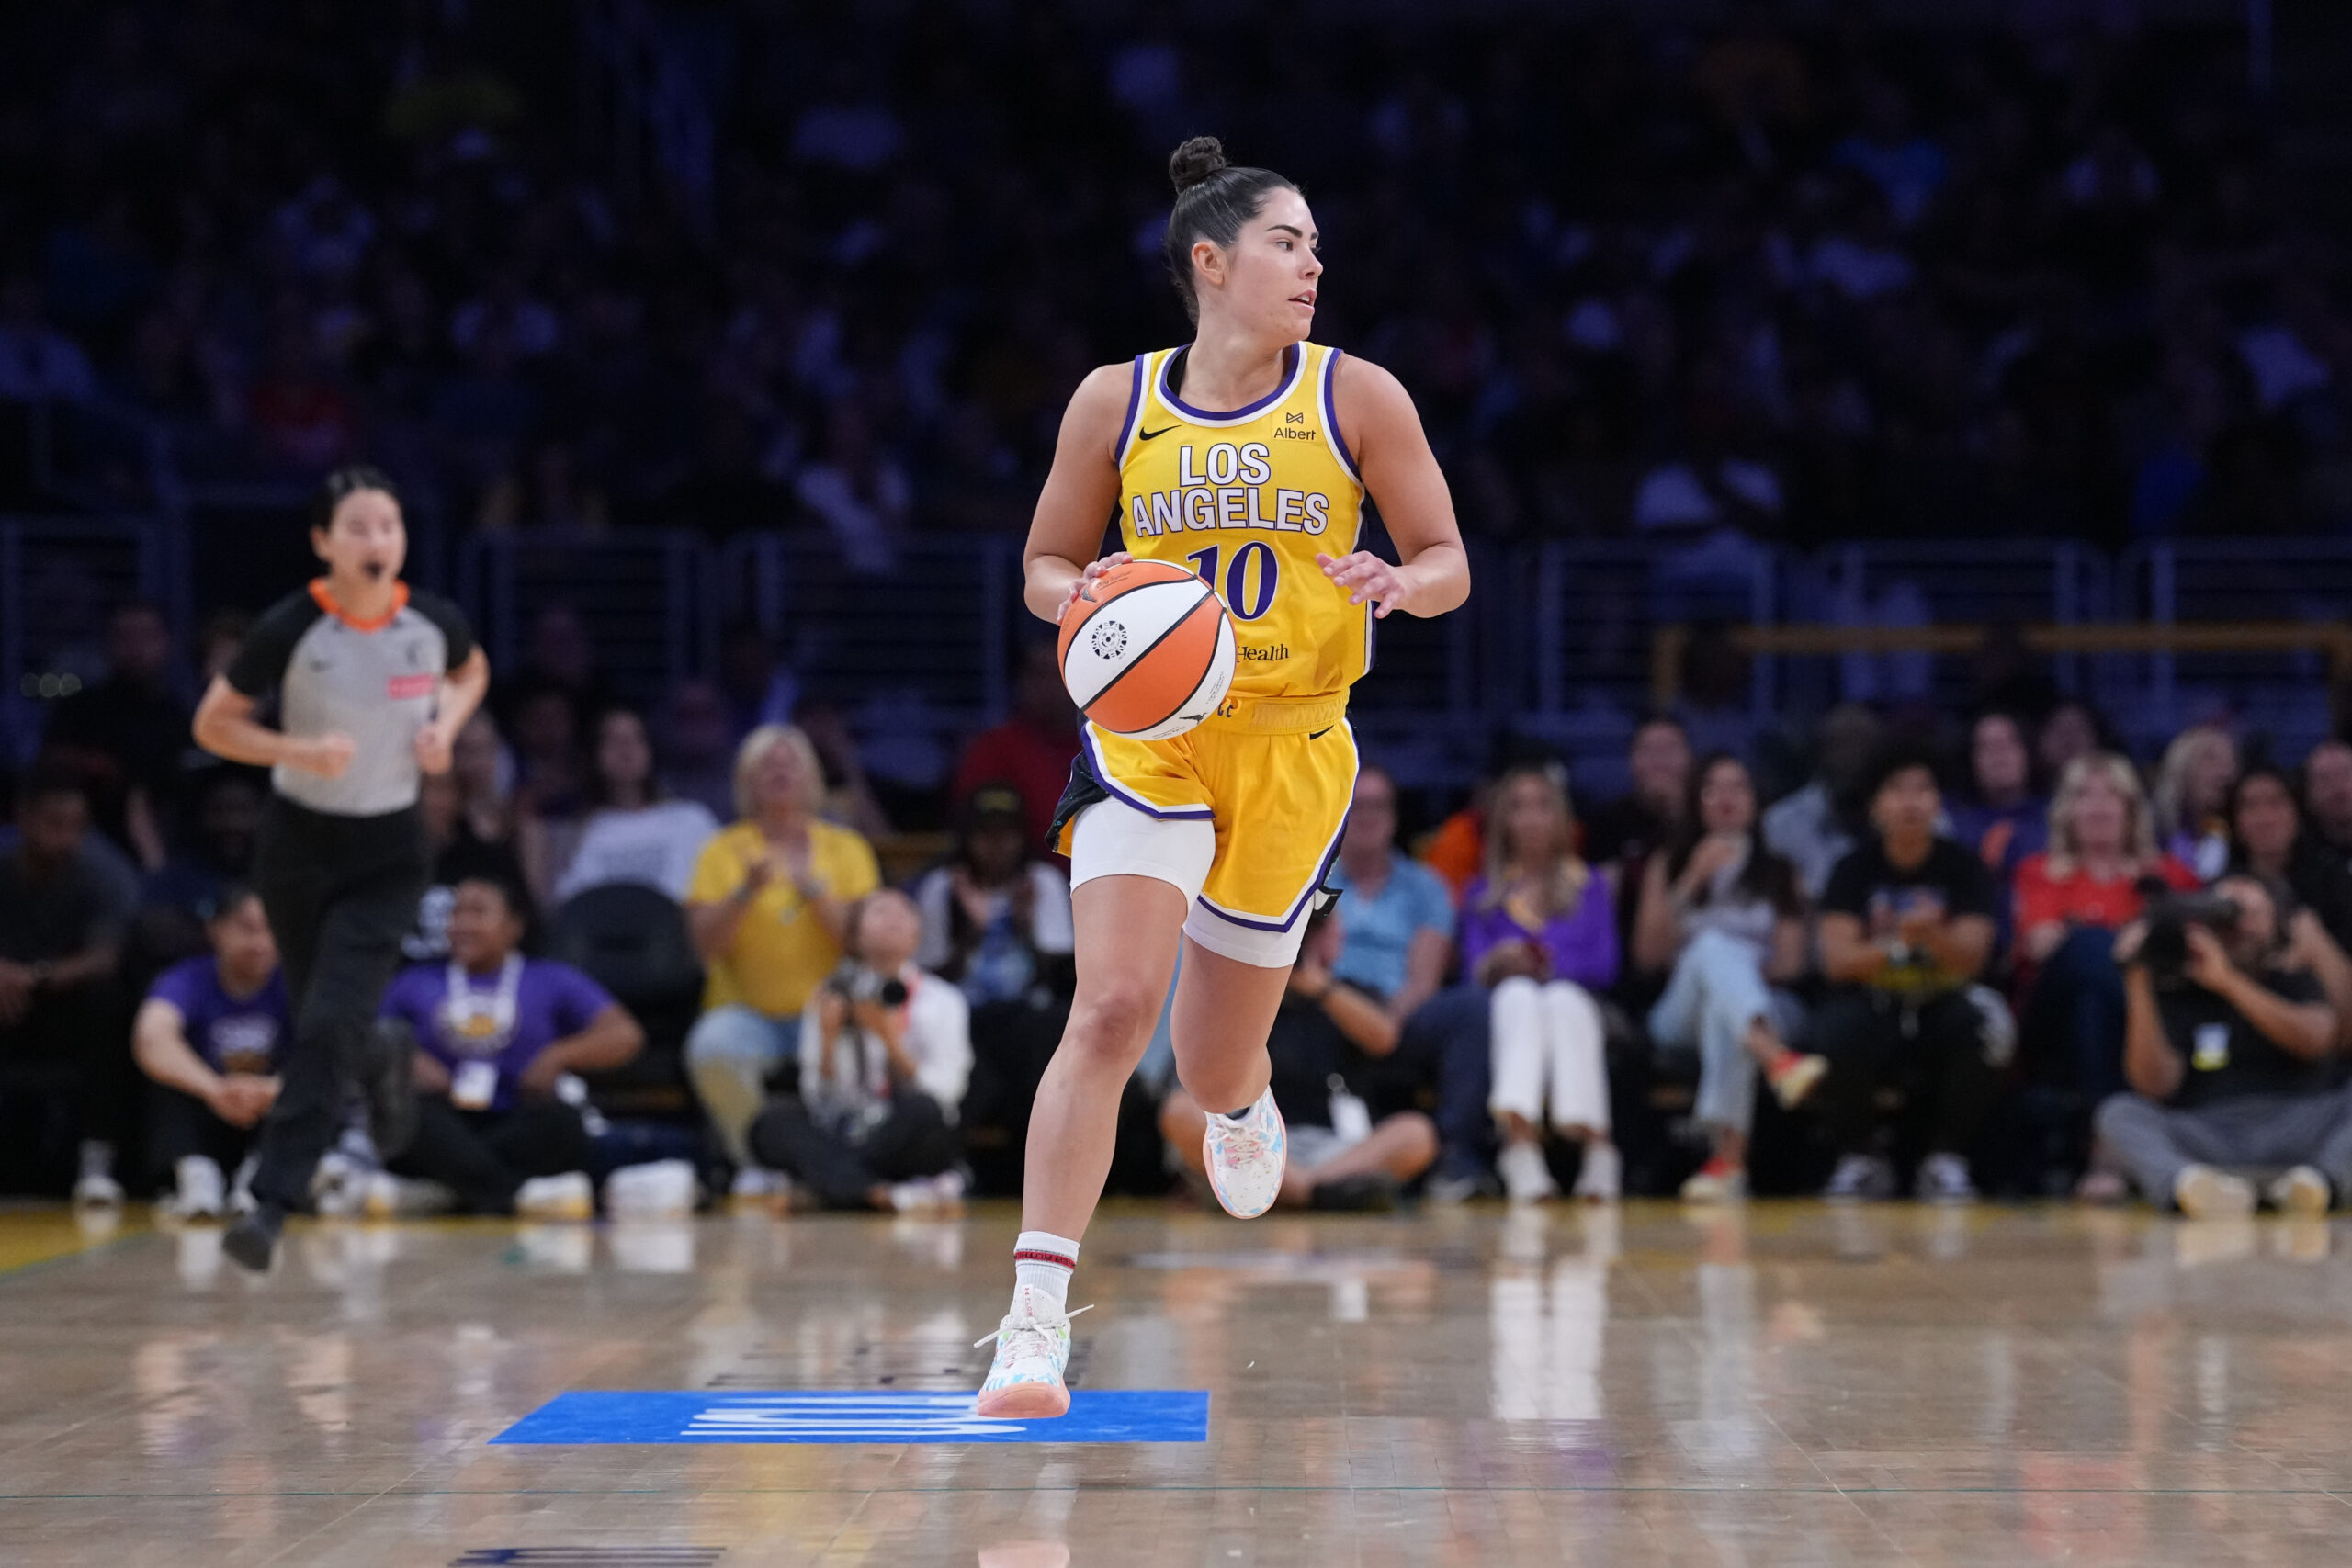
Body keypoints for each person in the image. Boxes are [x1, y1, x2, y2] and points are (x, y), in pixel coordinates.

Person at [976, 136, 1469, 1418]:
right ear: (1213, 259)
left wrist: (1402, 584)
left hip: (1296, 746)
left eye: (1315, 245)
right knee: (1109, 1008)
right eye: (1287, 242)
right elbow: (1041, 561)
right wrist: (1082, 596)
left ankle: (1242, 1099)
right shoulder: (1114, 401)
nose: (1314, 264)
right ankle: (1032, 1322)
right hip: (1150, 739)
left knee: (1204, 1061)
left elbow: (1448, 555)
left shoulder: (1358, 395)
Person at [190, 465, 490, 1270]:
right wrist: (296, 749)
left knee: (326, 1021)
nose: (377, 542)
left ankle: (270, 1201)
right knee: (321, 1012)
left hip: (389, 849)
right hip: (296, 844)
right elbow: (214, 723)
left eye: (388, 526)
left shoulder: (432, 622)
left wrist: (447, 726)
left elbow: (471, 669)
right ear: (323, 542)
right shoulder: (290, 628)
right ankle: (377, 1057)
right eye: (358, 527)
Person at [683, 724, 881, 1191]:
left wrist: (812, 887)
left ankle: (844, 1163)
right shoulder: (721, 850)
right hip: (747, 1014)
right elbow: (705, 947)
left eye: (790, 762)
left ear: (812, 778)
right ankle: (757, 1160)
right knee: (710, 1047)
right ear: (744, 781)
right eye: (765, 764)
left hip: (830, 1010)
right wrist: (745, 891)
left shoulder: (846, 848)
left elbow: (863, 944)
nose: (779, 771)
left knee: (869, 1038)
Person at [378, 875, 643, 1218]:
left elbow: (625, 1034)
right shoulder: (415, 980)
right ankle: (513, 1196)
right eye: (456, 914)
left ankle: (451, 1190)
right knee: (405, 1118)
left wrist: (558, 1056)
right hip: (443, 1117)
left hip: (517, 1114)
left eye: (479, 913)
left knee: (563, 1122)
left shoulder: (549, 977)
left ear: (514, 927)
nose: (463, 925)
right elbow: (366, 1037)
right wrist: (408, 1058)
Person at [1813, 742, 2007, 1201]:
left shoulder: (1965, 867)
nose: (1911, 801)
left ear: (1938, 802)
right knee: (1833, 1031)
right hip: (1873, 1002)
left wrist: (1933, 938)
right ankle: (1859, 1157)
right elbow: (1838, 961)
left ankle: (1946, 1159)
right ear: (1877, 805)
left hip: (1944, 1000)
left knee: (1990, 1027)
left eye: (1923, 789)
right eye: (1897, 790)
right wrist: (1901, 941)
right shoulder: (1852, 868)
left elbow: (1973, 958)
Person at [1632, 753, 1825, 1201]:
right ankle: (1776, 1059)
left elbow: (1790, 964)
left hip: (1767, 1001)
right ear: (1696, 802)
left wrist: (1733, 973)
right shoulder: (1670, 864)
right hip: (1679, 1008)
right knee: (1709, 949)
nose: (1726, 799)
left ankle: (1727, 1163)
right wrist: (1693, 879)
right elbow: (1648, 956)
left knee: (1726, 1001)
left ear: (1756, 802)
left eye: (1738, 788)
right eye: (1712, 789)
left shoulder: (1780, 870)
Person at [2099, 874, 2350, 1216]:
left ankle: (2319, 1185)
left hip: (2300, 1124)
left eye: (2252, 913)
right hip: (2210, 1133)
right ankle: (2188, 1186)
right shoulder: (2180, 992)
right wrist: (2138, 980)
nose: (2238, 924)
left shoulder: (2292, 979)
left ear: (2275, 925)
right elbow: (2154, 1085)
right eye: (2227, 911)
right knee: (2119, 1112)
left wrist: (2227, 982)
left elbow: (2318, 1041)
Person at [1159, 908, 1439, 1210]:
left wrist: (1317, 986)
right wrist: (1271, 975)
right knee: (1179, 1111)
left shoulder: (1350, 992)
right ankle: (1312, 1193)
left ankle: (1282, 1192)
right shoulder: (1244, 994)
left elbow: (1384, 1039)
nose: (1315, 940)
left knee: (1416, 1134)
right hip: (1250, 1143)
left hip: (1338, 1150)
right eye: (1308, 932)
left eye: (1319, 930)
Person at [746, 890, 971, 1211]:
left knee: (925, 1113)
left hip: (905, 1133)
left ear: (917, 932)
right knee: (769, 1123)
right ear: (855, 936)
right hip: (847, 1127)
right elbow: (820, 1100)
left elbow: (946, 1093)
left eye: (903, 912)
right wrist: (827, 1042)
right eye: (880, 912)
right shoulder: (830, 995)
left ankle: (827, 1188)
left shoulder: (943, 1000)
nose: (893, 919)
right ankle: (873, 1191)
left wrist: (891, 1045)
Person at [1457, 765, 1621, 1203]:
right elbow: (1471, 968)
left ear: (1561, 818)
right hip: (1510, 1008)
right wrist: (1500, 960)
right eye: (1518, 808)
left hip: (1580, 1004)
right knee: (1518, 995)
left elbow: (1605, 965)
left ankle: (1596, 1144)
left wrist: (1547, 963)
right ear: (1502, 821)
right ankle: (1521, 1143)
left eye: (1542, 807)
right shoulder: (1483, 891)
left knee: (1561, 999)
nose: (1530, 819)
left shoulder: (1590, 886)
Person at [2011, 754, 2198, 1119]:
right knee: (2087, 948)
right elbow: (2042, 945)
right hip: (2051, 1022)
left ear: (2130, 809)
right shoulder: (2041, 872)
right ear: (2067, 810)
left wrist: (2081, 929)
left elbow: (2194, 948)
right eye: (2084, 796)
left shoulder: (2168, 876)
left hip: (2148, 1010)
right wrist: (2131, 939)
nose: (2098, 808)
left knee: (2092, 1000)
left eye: (2111, 796)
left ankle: (2103, 1130)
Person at [0, 771, 130, 1205]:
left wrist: (32, 975)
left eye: (77, 825)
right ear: (24, 817)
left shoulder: (99, 874)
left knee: (109, 1001)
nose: (67, 836)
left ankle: (96, 1163)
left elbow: (107, 955)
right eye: (55, 822)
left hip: (63, 1007)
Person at [131, 886, 287, 1219]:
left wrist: (272, 1090)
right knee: (164, 1072)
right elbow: (151, 1037)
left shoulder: (296, 982)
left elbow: (328, 1053)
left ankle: (260, 1179)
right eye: (247, 929)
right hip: (208, 1114)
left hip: (269, 1116)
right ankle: (197, 1177)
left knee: (314, 1081)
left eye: (271, 929)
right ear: (216, 929)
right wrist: (214, 1089)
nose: (260, 943)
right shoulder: (186, 978)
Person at [39, 600, 190, 869]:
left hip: (169, 846)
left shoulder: (179, 718)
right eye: (125, 637)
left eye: (146, 636)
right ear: (107, 644)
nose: (136, 649)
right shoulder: (79, 710)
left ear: (167, 642)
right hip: (85, 843)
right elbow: (50, 769)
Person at [913, 784, 1075, 1007]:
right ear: (967, 837)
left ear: (1022, 836)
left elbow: (1061, 977)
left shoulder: (1042, 880)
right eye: (986, 833)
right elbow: (927, 977)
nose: (998, 845)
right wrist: (974, 932)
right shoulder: (942, 885)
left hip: (1031, 1012)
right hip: (961, 1007)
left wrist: (1023, 924)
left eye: (1007, 833)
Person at [547, 706, 720, 906]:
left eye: (637, 738)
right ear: (595, 754)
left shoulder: (690, 819)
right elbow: (567, 906)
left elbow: (721, 889)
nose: (626, 748)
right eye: (613, 740)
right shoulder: (580, 831)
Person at [1322, 765, 1454, 1029]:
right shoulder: (1314, 882)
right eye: (1357, 806)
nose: (1367, 817)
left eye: (1377, 806)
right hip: (1325, 1010)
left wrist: (1379, 1027)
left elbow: (1423, 983)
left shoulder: (1427, 888)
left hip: (1398, 1015)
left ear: (1394, 816)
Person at [953, 642, 1081, 854]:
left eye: (1058, 675)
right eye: (1040, 675)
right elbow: (970, 828)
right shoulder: (993, 749)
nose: (1050, 686)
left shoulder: (1104, 745)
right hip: (1018, 878)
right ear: (1022, 682)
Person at [2226, 763, 2352, 955]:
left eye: (2275, 803)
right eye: (2250, 805)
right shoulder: (2224, 889)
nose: (2264, 818)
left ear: (2298, 811)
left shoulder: (2337, 882)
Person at [1762, 703, 1883, 901]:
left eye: (1862, 746)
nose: (1851, 758)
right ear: (1820, 753)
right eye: (1842, 745)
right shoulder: (1781, 823)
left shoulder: (1915, 816)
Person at [1947, 710, 2047, 889]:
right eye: (1986, 747)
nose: (1999, 755)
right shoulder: (1951, 822)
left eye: (2009, 742)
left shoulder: (2058, 814)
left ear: (2027, 753)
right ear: (1971, 760)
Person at [1581, 716, 1693, 869]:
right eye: (1649, 749)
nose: (1659, 761)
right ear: (1632, 759)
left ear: (1689, 757)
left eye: (1670, 749)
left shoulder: (1704, 819)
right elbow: (1595, 889)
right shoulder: (1607, 824)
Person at [2151, 724, 2237, 881]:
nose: (2224, 771)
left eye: (2228, 761)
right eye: (2210, 759)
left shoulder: (2238, 837)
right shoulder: (2152, 829)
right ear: (2181, 767)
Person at [2303, 739, 2352, 872]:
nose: (2339, 788)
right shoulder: (2300, 860)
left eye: (2346, 774)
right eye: (2325, 779)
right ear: (2309, 794)